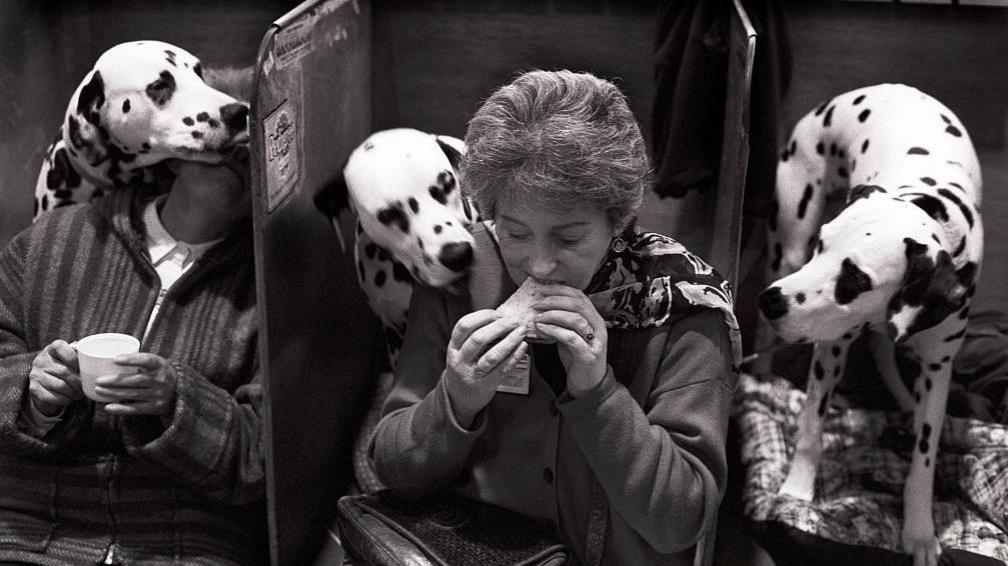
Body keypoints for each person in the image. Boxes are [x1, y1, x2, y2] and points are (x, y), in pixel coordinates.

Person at [371, 69, 742, 565]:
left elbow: (681, 521)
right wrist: (456, 401)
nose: (540, 265)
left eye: (568, 239)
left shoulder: (684, 307)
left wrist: (598, 392)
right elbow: (393, 471)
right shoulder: (459, 276)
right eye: (516, 232)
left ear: (619, 219)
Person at [0, 70, 264, 565]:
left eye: (257, 151)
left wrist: (176, 400)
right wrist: (34, 391)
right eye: (225, 140)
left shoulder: (272, 288)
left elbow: (261, 463)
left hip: (185, 547)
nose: (239, 154)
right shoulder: (55, 241)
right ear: (175, 153)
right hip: (29, 535)